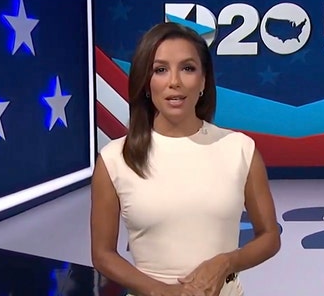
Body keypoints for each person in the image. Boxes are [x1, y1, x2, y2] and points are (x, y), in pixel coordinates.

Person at [91, 22, 281, 296]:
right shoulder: (114, 160)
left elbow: (269, 237)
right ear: (146, 82)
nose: (174, 81)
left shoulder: (240, 149)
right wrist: (162, 291)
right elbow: (102, 254)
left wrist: (226, 262)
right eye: (160, 70)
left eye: (188, 68)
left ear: (203, 80)